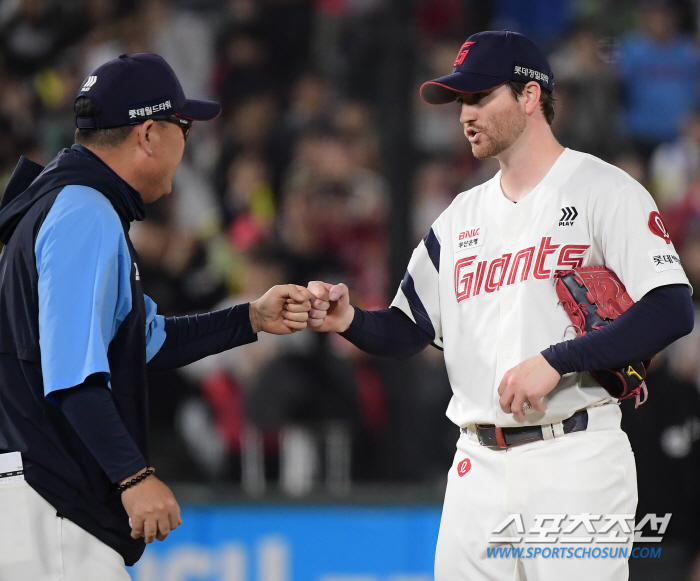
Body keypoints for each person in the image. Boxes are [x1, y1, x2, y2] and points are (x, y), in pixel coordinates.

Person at [306, 30, 695, 581]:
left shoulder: (604, 191)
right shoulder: (459, 217)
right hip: (476, 466)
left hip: (574, 456)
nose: (465, 113)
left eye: (480, 96)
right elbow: (408, 329)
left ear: (530, 96)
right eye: (460, 101)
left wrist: (558, 358)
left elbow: (672, 308)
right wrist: (347, 319)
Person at [0, 53, 315, 580]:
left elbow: (148, 340)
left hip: (39, 494)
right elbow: (72, 377)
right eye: (183, 126)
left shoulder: (75, 203)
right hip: (50, 499)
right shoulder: (84, 211)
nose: (186, 143)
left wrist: (252, 319)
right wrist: (134, 477)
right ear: (148, 133)